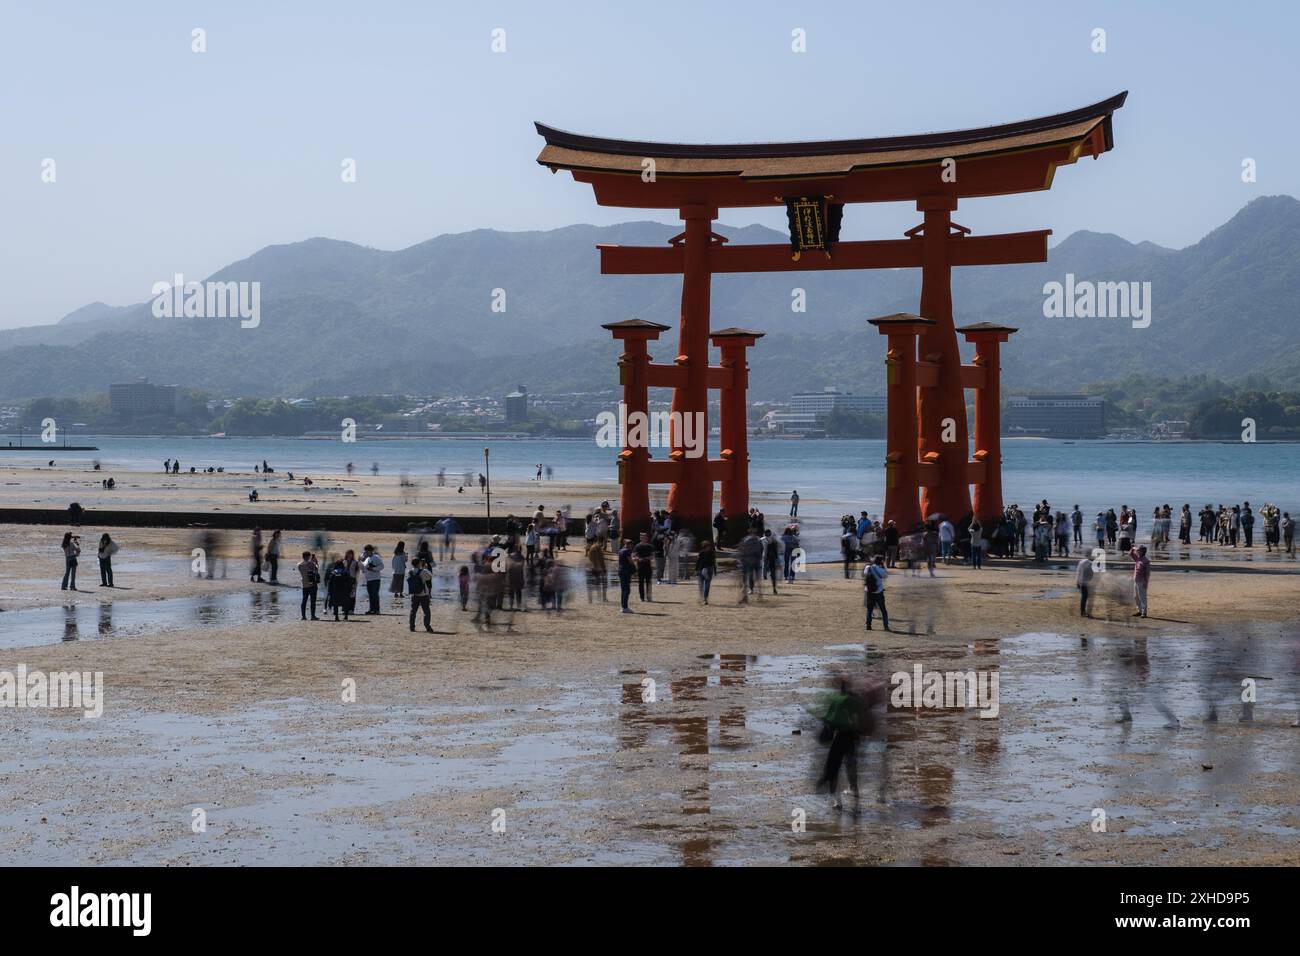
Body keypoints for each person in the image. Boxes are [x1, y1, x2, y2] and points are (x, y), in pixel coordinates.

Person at [407, 558, 434, 632]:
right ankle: (427, 626)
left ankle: (412, 626)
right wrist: (425, 568)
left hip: (414, 594)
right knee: (426, 611)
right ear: (419, 563)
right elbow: (430, 576)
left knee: (413, 611)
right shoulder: (423, 571)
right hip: (423, 594)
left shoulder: (409, 572)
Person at [863, 555, 889, 630]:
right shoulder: (881, 570)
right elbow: (886, 575)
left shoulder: (868, 567)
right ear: (880, 562)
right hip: (879, 591)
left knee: (869, 609)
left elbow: (865, 574)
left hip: (869, 591)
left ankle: (868, 625)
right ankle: (886, 626)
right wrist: (883, 565)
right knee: (883, 610)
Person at [737, 529, 763, 602]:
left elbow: (742, 550)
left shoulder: (745, 540)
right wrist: (759, 558)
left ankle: (745, 597)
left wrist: (741, 560)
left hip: (747, 562)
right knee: (758, 578)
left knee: (745, 579)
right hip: (756, 561)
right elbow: (761, 550)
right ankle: (760, 595)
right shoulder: (758, 540)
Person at [297, 551, 320, 620]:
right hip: (312, 584)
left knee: (304, 600)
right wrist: (315, 562)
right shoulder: (312, 563)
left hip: (304, 585)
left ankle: (303, 616)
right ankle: (313, 616)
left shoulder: (299, 565)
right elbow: (316, 571)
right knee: (313, 601)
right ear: (308, 556)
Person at [361, 545, 384, 614]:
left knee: (375, 594)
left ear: (371, 551)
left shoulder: (376, 557)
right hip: (368, 579)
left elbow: (382, 566)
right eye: (365, 551)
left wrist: (373, 569)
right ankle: (371, 609)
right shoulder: (367, 558)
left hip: (376, 579)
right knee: (370, 595)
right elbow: (363, 567)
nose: (366, 552)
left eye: (367, 551)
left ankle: (377, 610)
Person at [1129, 544, 1150, 618]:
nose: (1137, 552)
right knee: (1136, 597)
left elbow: (1147, 573)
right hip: (1136, 580)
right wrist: (1134, 548)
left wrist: (1146, 582)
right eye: (1137, 551)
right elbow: (1130, 553)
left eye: (1139, 551)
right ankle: (1139, 611)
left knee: (1142, 597)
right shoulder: (1137, 558)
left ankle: (1144, 612)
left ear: (1142, 552)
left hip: (1142, 581)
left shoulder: (1146, 561)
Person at [633, 532, 654, 602]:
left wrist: (647, 558)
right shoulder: (637, 546)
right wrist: (639, 559)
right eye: (643, 537)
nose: (644, 539)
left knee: (649, 582)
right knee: (641, 582)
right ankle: (642, 597)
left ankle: (649, 596)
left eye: (645, 537)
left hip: (648, 566)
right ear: (640, 538)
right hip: (640, 567)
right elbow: (634, 556)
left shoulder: (650, 546)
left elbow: (653, 556)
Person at [696, 539, 716, 604]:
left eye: (709, 546)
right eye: (707, 547)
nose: (708, 548)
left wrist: (715, 570)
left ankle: (705, 598)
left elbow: (714, 562)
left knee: (707, 585)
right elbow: (698, 562)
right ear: (704, 547)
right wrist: (696, 570)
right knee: (701, 585)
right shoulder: (701, 553)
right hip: (701, 570)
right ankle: (701, 597)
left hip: (709, 570)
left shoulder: (712, 553)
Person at [1075, 553, 1094, 618]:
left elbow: (1078, 572)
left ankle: (1083, 612)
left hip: (1081, 582)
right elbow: (1091, 574)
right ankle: (1085, 612)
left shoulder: (1081, 562)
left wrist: (1077, 582)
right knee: (1086, 597)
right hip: (1086, 583)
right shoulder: (1090, 563)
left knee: (1084, 597)